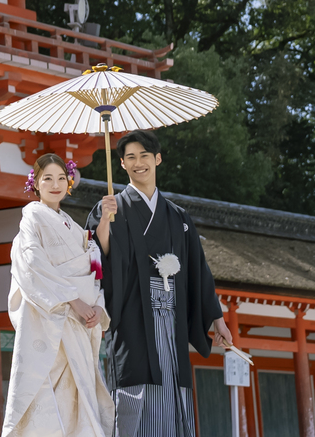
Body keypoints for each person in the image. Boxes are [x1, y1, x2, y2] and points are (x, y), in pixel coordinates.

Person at [86, 130, 236, 437]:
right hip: (132, 317)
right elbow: (94, 259)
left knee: (172, 390)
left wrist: (216, 318)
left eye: (144, 156)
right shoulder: (112, 209)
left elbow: (198, 270)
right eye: (130, 157)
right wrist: (103, 221)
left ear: (157, 159)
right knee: (134, 388)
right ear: (122, 164)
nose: (138, 163)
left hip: (173, 317)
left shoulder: (177, 216)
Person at [2, 153, 114, 436]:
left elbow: (94, 267)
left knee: (79, 396)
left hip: (78, 322)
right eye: (47, 178)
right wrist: (72, 299)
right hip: (52, 321)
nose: (55, 184)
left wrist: (97, 305)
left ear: (70, 182)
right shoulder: (31, 221)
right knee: (49, 395)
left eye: (61, 178)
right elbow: (32, 265)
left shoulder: (72, 226)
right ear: (36, 185)